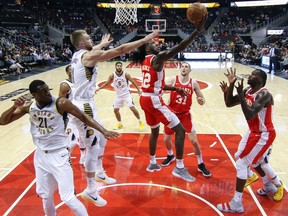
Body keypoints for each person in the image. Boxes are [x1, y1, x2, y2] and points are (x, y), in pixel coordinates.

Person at [0, 80, 119, 216]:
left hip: (59, 155)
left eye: (47, 89)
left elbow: (83, 117)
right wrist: (13, 107)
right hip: (40, 156)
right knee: (46, 196)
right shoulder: (29, 107)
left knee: (68, 198)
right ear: (34, 95)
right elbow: (2, 121)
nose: (47, 93)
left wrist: (103, 131)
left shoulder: (61, 103)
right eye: (43, 92)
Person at [70, 30, 159, 205]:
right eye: (88, 38)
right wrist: (145, 40)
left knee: (102, 137)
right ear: (81, 44)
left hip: (85, 103)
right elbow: (120, 50)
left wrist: (102, 44)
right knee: (92, 147)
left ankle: (100, 172)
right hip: (83, 105)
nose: (91, 39)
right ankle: (90, 189)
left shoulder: (77, 54)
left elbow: (93, 49)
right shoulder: (88, 56)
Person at [130, 16, 207, 182]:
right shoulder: (157, 59)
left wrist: (175, 88)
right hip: (154, 101)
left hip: (145, 98)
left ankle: (152, 162)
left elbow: (157, 85)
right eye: (155, 43)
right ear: (148, 47)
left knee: (154, 131)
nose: (158, 43)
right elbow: (180, 46)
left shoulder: (145, 60)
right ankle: (179, 167)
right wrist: (196, 31)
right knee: (180, 131)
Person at [217, 68, 284, 213]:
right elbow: (229, 103)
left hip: (264, 134)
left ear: (260, 80)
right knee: (244, 158)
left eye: (253, 75)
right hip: (253, 131)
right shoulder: (248, 89)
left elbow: (250, 115)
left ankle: (237, 203)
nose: (250, 75)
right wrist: (230, 86)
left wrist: (241, 95)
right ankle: (267, 184)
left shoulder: (264, 94)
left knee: (244, 162)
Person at [161, 62, 211, 177]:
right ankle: (170, 155)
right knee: (166, 139)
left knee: (194, 141)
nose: (184, 68)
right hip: (172, 115)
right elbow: (162, 88)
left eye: (186, 67)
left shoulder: (193, 83)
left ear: (190, 70)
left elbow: (201, 97)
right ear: (180, 69)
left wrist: (201, 100)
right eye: (182, 66)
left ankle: (200, 163)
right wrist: (161, 93)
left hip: (185, 115)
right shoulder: (173, 80)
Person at [95, 61, 145, 130]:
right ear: (115, 67)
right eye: (118, 66)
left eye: (120, 66)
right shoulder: (112, 75)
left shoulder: (126, 74)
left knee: (132, 108)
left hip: (127, 94)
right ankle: (120, 124)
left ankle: (140, 122)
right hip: (118, 95)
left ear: (122, 67)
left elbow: (133, 82)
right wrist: (99, 88)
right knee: (115, 110)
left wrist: (139, 90)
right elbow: (107, 83)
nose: (119, 67)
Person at [59, 65, 86, 165]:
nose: (73, 72)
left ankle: (83, 156)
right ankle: (66, 159)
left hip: (80, 113)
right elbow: (60, 102)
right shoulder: (65, 85)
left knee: (84, 137)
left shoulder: (80, 82)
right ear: (67, 72)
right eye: (71, 70)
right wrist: (62, 117)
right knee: (73, 140)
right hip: (70, 116)